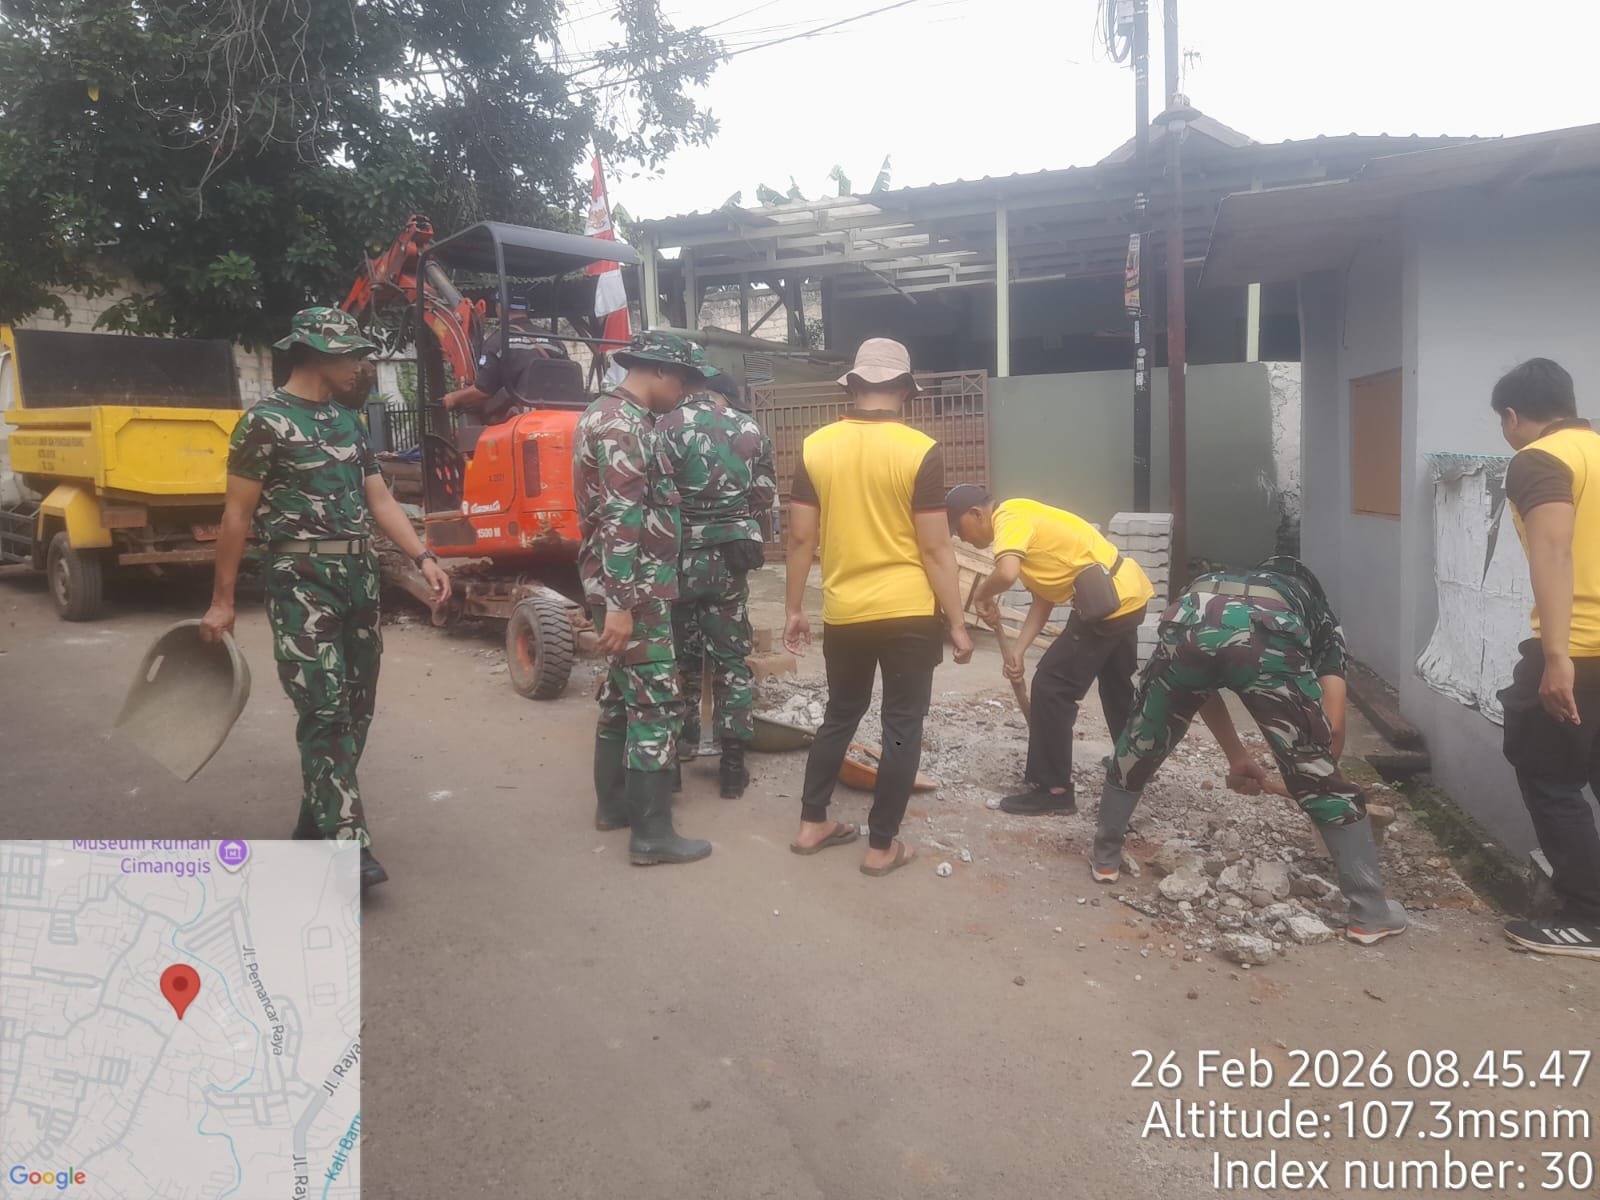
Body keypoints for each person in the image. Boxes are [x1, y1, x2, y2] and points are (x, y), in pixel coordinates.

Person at [202, 307, 451, 890]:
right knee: (323, 708)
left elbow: (380, 500)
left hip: (358, 575)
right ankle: (347, 846)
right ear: (316, 354)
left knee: (356, 708)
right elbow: (236, 516)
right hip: (299, 576)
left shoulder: (348, 423)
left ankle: (315, 824)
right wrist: (222, 600)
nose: (361, 368)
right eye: (352, 357)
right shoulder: (264, 423)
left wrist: (423, 556)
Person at [1091, 556, 1408, 946]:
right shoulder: (1323, 619)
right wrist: (1313, 784)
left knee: (1141, 741)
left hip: (1189, 616)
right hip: (1267, 632)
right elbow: (1335, 727)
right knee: (1316, 770)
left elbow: (1199, 686)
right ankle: (1370, 912)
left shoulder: (1222, 582)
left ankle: (1105, 858)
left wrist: (1237, 756)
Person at [784, 338, 974, 876]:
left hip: (845, 610)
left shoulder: (815, 447)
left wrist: (794, 608)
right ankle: (881, 846)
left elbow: (800, 539)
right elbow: (936, 549)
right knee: (901, 725)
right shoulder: (920, 450)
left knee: (840, 714)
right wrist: (958, 623)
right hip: (909, 612)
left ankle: (811, 824)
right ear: (906, 390)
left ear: (854, 386)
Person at [575, 331, 712, 866]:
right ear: (657, 369)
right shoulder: (624, 426)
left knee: (620, 694)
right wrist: (620, 604)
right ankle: (652, 834)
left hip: (622, 586)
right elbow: (621, 515)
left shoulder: (607, 414)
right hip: (633, 591)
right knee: (655, 702)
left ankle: (613, 806)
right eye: (683, 378)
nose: (686, 390)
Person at [946, 487, 1154, 815]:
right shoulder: (1024, 520)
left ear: (976, 513)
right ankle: (1135, 761)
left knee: (1051, 687)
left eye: (959, 529)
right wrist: (1019, 650)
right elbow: (1043, 599)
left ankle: (1053, 790)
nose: (962, 539)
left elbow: (1006, 573)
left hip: (1108, 605)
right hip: (1128, 596)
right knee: (1116, 684)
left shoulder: (1008, 516)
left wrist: (981, 595)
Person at [1491, 357, 1600, 959]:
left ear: (1513, 416)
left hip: (1578, 648)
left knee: (1549, 778)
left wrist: (1556, 657)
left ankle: (1588, 918)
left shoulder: (1539, 459)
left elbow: (1553, 550)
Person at [657, 363, 776, 799]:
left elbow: (653, 496)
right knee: (730, 659)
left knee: (677, 658)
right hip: (729, 560)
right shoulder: (749, 428)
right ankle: (731, 766)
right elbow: (763, 495)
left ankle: (677, 754)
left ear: (683, 383)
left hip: (679, 559)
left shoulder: (663, 427)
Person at [442, 299, 571, 422]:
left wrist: (454, 398)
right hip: (558, 416)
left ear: (499, 308)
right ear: (527, 309)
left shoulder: (498, 342)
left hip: (520, 417)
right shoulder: (555, 342)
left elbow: (483, 390)